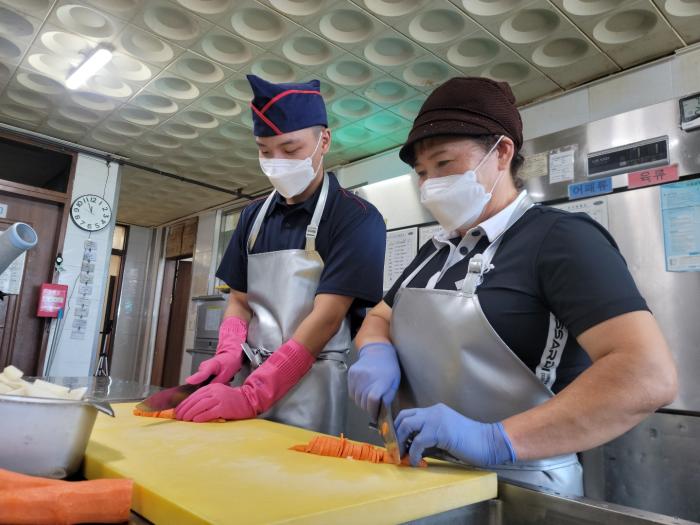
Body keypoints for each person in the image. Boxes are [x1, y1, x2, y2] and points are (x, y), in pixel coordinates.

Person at [348, 77, 677, 495]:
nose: (429, 184)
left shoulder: (560, 239)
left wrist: (494, 439)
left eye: (444, 164)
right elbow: (379, 316)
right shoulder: (437, 252)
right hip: (425, 480)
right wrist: (376, 350)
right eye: (422, 173)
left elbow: (647, 374)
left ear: (501, 152)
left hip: (520, 490)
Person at [176, 75, 386, 435]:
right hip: (247, 379)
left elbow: (327, 318)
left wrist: (254, 395)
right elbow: (239, 301)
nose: (277, 162)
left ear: (324, 141)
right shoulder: (251, 217)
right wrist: (228, 352)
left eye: (290, 150)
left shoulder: (356, 218)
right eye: (264, 150)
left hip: (312, 387)